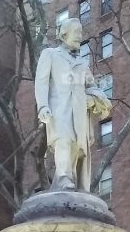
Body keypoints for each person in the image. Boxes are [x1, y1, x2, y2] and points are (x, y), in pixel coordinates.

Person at [34, 17, 112, 191]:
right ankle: (63, 179)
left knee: (77, 148)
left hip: (79, 113)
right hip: (58, 110)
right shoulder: (50, 54)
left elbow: (91, 86)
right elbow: (41, 82)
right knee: (63, 140)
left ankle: (72, 184)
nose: (80, 36)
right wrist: (42, 105)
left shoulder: (82, 63)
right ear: (64, 34)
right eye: (76, 33)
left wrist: (94, 99)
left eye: (81, 33)